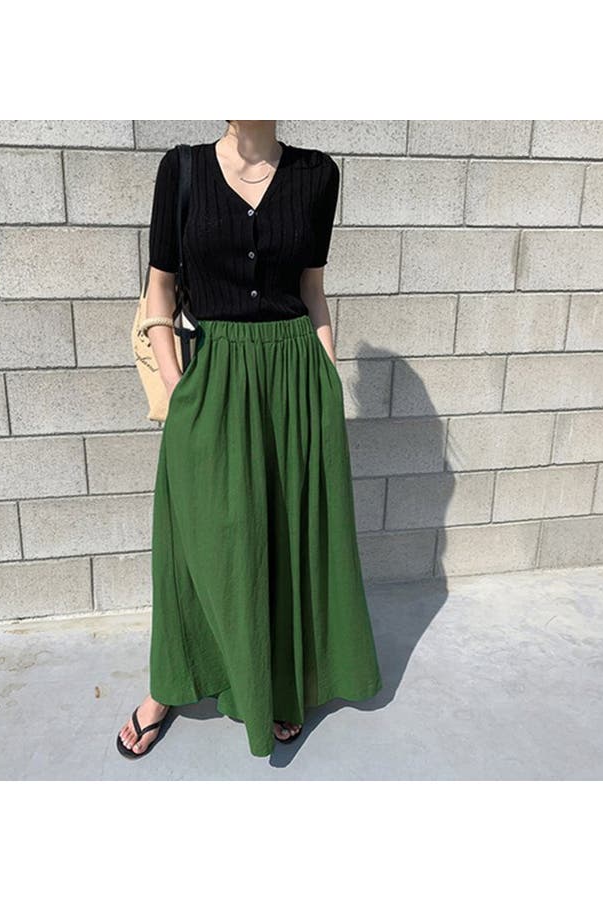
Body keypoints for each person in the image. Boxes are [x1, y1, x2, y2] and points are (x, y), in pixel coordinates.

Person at [117, 120, 382, 759]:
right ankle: (170, 684)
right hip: (214, 375)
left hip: (295, 376)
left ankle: (277, 684)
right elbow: (160, 290)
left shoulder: (317, 174)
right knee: (196, 542)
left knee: (285, 536)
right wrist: (181, 390)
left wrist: (326, 380)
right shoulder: (181, 170)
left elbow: (312, 291)